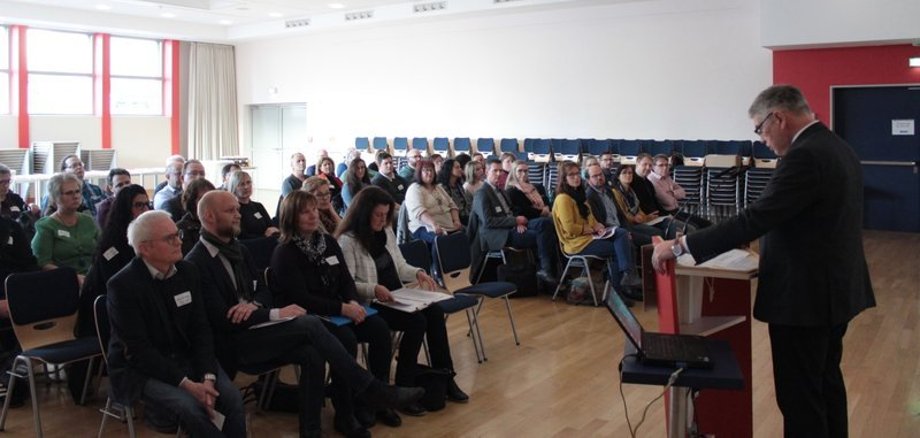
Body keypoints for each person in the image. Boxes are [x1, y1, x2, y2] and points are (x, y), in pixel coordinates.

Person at [652, 85, 876, 438]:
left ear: (779, 118)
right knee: (826, 384)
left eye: (760, 129)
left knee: (800, 397)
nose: (762, 140)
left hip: (805, 299)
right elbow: (798, 217)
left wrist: (680, 245)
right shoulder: (835, 146)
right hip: (832, 291)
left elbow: (757, 217)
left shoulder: (805, 155)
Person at [187, 191, 422, 438]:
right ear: (209, 216)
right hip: (235, 343)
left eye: (237, 209)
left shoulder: (239, 249)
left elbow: (264, 289)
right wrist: (272, 312)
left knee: (316, 351)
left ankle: (312, 430)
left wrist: (255, 304)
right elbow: (222, 319)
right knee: (313, 324)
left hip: (261, 326)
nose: (238, 215)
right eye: (231, 211)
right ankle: (372, 390)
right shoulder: (197, 263)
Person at [106, 210, 246, 437]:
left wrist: (207, 378)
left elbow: (200, 329)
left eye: (177, 234)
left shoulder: (188, 271)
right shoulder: (123, 286)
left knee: (231, 400)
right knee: (190, 408)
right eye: (169, 238)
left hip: (187, 357)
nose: (179, 241)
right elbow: (138, 351)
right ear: (145, 248)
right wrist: (189, 386)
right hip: (141, 370)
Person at [270, 191, 398, 436]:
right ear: (291, 217)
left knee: (380, 330)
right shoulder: (285, 252)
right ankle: (345, 412)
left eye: (314, 209)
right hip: (309, 316)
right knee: (347, 340)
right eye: (304, 211)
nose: (312, 215)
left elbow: (346, 279)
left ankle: (376, 399)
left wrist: (351, 300)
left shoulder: (327, 242)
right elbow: (302, 298)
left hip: (338, 309)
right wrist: (343, 308)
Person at [336, 187, 469, 416]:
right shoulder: (348, 241)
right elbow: (347, 283)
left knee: (435, 313)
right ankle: (404, 386)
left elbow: (399, 266)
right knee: (416, 322)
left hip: (396, 295)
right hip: (372, 302)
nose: (382, 220)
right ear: (364, 213)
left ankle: (445, 375)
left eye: (385, 215)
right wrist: (374, 289)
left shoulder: (385, 232)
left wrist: (417, 273)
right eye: (377, 215)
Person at [552, 161, 641, 302]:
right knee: (617, 248)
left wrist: (598, 226)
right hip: (576, 243)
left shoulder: (579, 194)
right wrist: (591, 229)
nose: (576, 178)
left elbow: (591, 218)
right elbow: (570, 228)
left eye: (577, 174)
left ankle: (625, 276)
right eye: (571, 175)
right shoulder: (563, 198)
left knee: (621, 233)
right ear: (564, 178)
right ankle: (618, 291)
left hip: (590, 237)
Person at [469, 160, 557, 284]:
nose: (499, 174)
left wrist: (518, 221)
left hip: (513, 225)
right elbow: (489, 221)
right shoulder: (482, 194)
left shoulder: (500, 190)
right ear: (487, 171)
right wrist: (514, 221)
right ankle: (547, 272)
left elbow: (512, 210)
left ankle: (548, 271)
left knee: (545, 223)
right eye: (495, 171)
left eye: (500, 170)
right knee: (542, 236)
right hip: (498, 234)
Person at [31, 174, 98, 284]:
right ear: (55, 197)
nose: (75, 196)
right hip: (62, 282)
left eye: (77, 191)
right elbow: (42, 263)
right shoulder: (46, 226)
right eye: (69, 193)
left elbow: (102, 249)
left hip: (93, 277)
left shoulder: (88, 221)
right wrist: (72, 277)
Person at [611, 165, 677, 242]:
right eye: (624, 173)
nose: (628, 175)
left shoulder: (631, 191)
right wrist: (634, 219)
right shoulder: (615, 192)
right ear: (618, 176)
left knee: (669, 222)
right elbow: (622, 213)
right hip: (629, 224)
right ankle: (665, 249)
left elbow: (638, 208)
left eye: (630, 173)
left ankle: (670, 248)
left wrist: (646, 217)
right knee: (658, 232)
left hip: (641, 220)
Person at [405, 159, 462, 246]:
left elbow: (452, 205)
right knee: (439, 241)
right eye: (425, 170)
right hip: (425, 226)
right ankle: (438, 260)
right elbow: (419, 211)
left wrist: (456, 220)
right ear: (419, 172)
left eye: (431, 170)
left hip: (448, 225)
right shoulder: (414, 189)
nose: (430, 173)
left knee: (463, 235)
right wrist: (434, 225)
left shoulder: (438, 187)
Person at [647, 154, 711, 230]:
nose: (665, 168)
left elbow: (683, 193)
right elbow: (668, 201)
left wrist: (671, 193)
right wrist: (674, 193)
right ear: (653, 167)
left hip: (677, 211)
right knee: (695, 228)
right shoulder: (652, 180)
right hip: (667, 214)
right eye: (661, 165)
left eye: (667, 165)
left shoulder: (666, 177)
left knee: (707, 224)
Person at [40, 154, 106, 218]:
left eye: (80, 164)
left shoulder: (96, 190)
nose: (79, 167)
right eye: (74, 166)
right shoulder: (54, 193)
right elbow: (45, 216)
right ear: (64, 171)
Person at [227, 170, 279, 240]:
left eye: (248, 182)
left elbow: (272, 227)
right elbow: (241, 236)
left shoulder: (258, 206)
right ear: (234, 188)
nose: (246, 187)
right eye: (242, 184)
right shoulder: (234, 210)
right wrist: (264, 236)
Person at [176, 179, 216, 256]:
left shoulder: (219, 223)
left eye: (211, 198)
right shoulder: (182, 229)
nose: (208, 203)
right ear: (191, 201)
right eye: (202, 199)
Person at [437, 159, 472, 226]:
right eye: (457, 167)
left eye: (460, 167)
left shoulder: (459, 184)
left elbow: (465, 201)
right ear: (449, 169)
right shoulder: (442, 187)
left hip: (465, 214)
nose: (460, 169)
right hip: (454, 217)